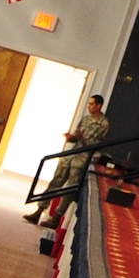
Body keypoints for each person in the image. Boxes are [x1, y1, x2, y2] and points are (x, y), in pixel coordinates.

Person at [25, 94, 110, 226]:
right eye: (89, 104)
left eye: (92, 104)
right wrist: (71, 138)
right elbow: (77, 136)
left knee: (70, 187)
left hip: (83, 157)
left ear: (99, 106)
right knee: (56, 181)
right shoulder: (86, 119)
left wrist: (82, 138)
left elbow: (94, 144)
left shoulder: (103, 124)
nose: (89, 106)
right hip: (72, 153)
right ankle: (39, 210)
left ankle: (56, 218)